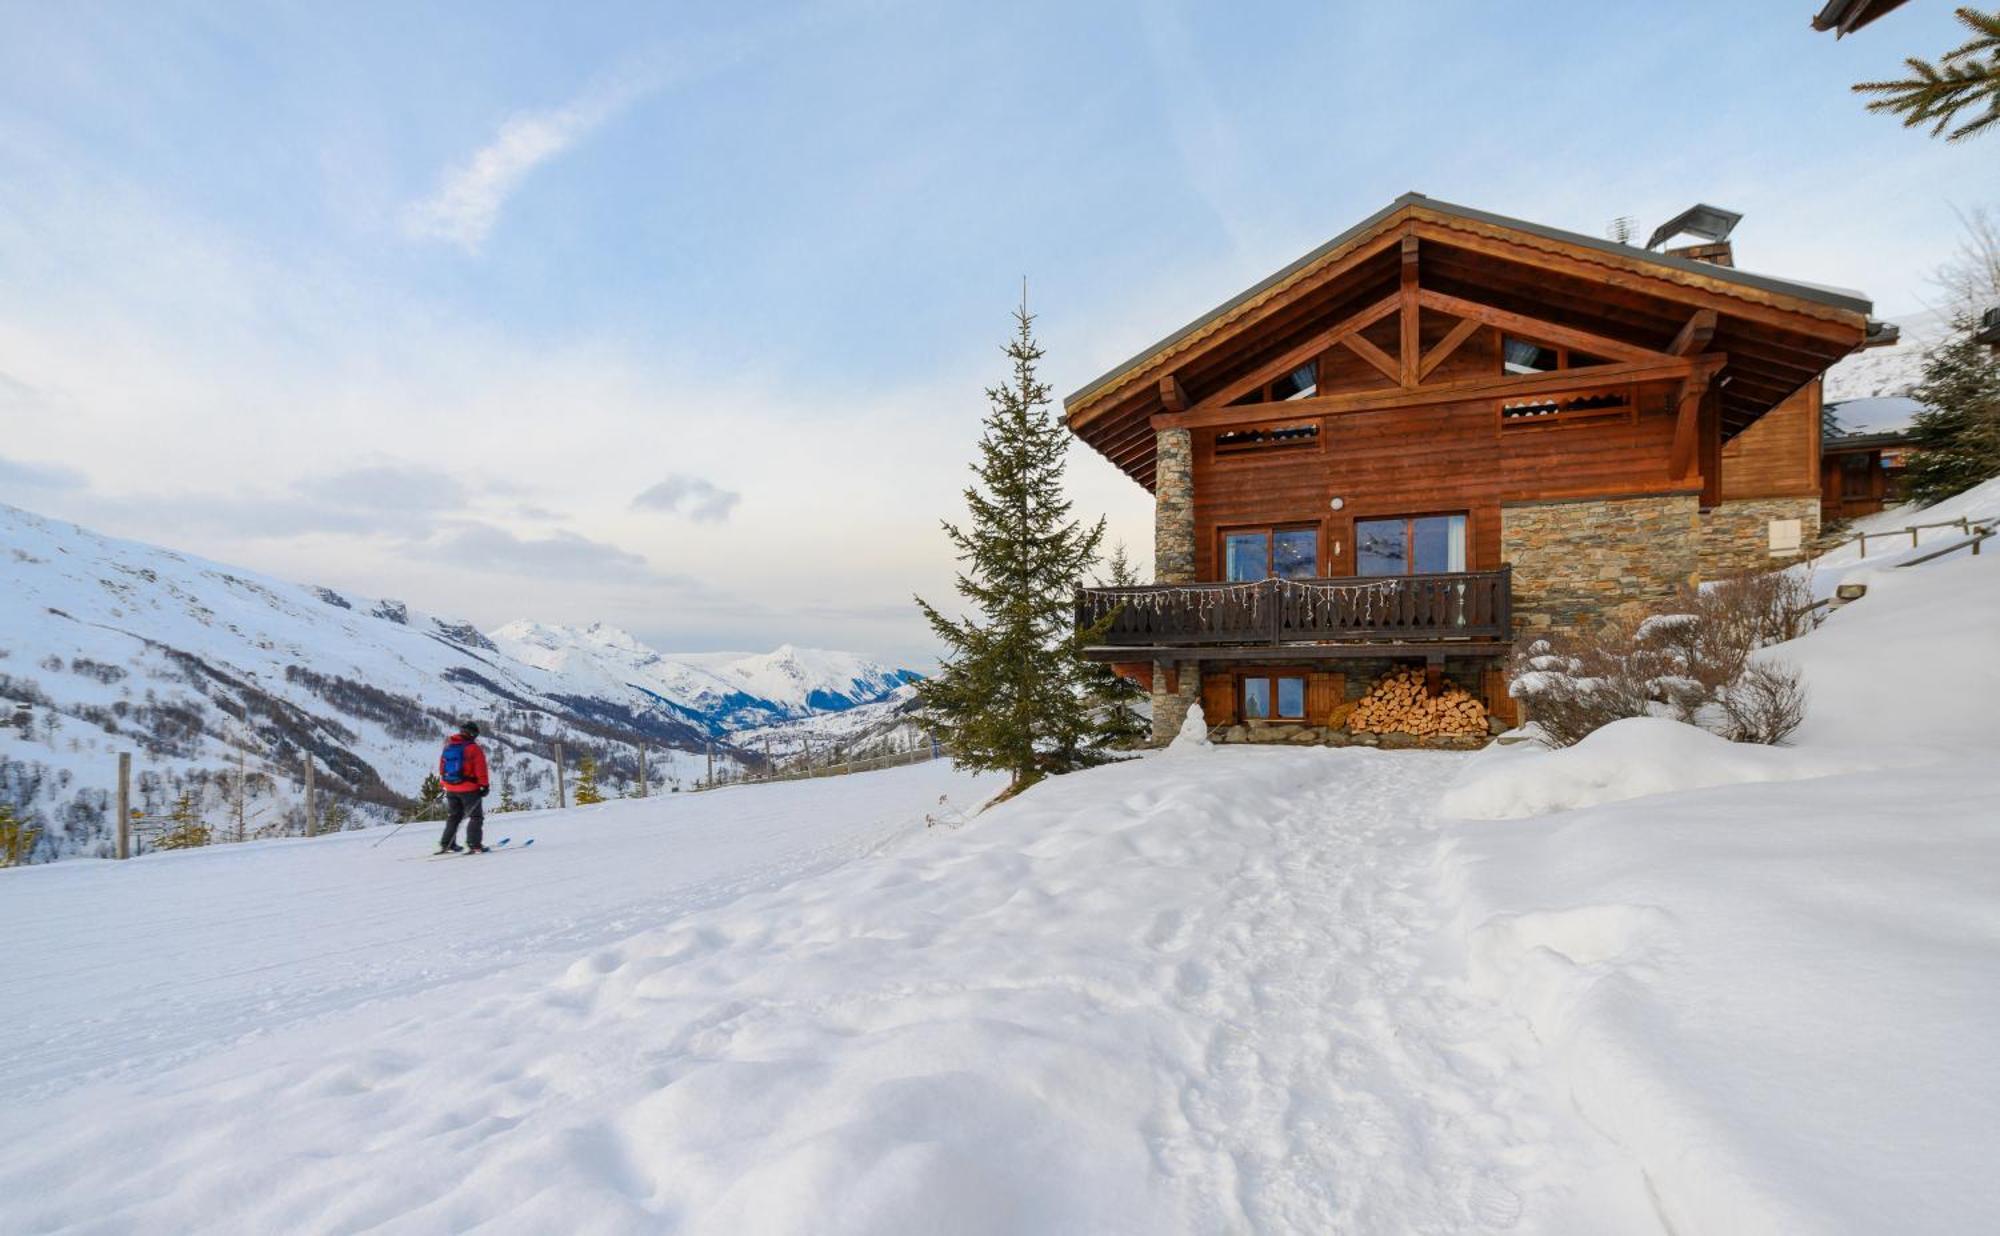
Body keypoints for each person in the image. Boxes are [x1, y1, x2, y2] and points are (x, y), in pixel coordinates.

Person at [437, 721, 491, 854]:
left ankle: (447, 844)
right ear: (473, 734)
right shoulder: (473, 748)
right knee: (475, 816)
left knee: (454, 816)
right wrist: (484, 786)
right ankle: (474, 844)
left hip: (451, 787)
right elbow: (481, 769)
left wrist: (445, 785)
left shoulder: (449, 746)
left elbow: (442, 768)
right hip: (469, 789)